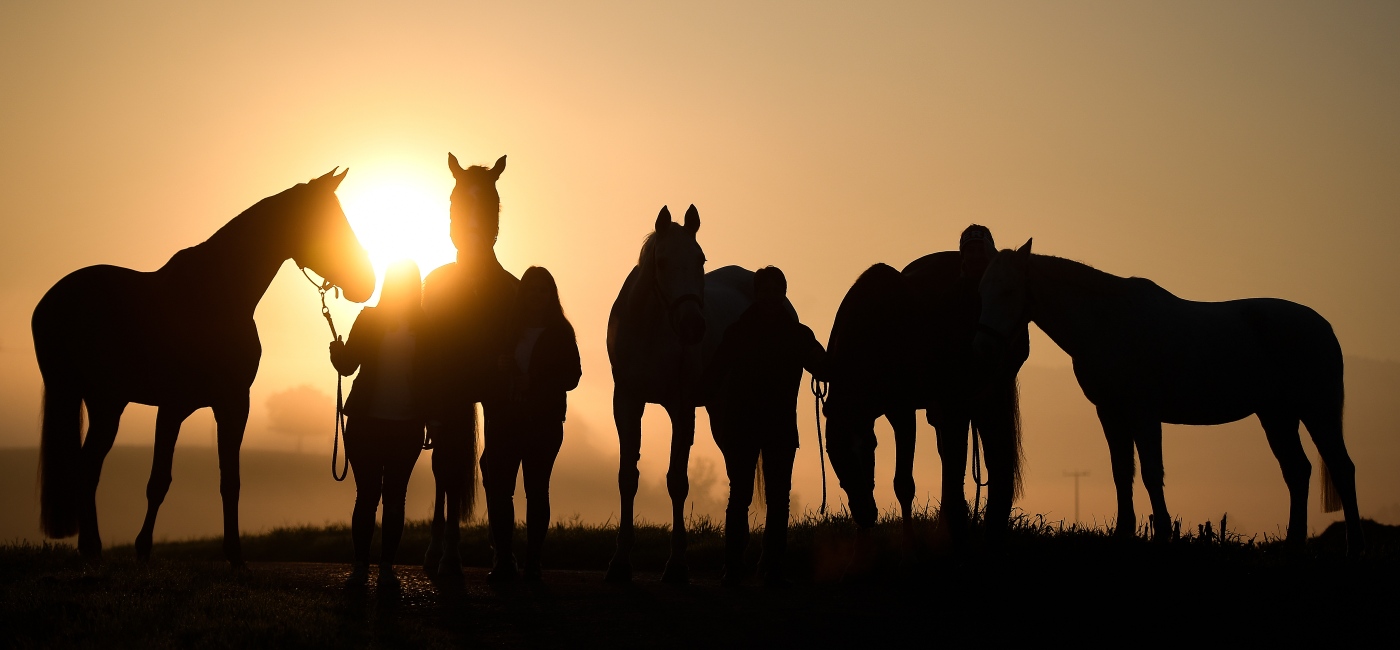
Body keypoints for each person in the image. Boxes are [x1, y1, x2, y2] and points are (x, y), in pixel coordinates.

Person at [420, 153, 519, 579]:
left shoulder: (513, 292)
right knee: (448, 456)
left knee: (498, 461)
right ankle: (445, 538)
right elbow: (428, 346)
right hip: (452, 379)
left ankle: (502, 549)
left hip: (495, 383)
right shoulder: (436, 285)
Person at [704, 266, 826, 587]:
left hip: (755, 428)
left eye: (776, 291)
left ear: (781, 294)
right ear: (758, 295)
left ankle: (751, 566)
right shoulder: (794, 334)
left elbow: (713, 375)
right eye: (766, 291)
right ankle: (751, 566)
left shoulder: (744, 332)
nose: (771, 297)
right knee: (754, 496)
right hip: (767, 429)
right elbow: (822, 366)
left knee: (762, 497)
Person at [328, 259, 427, 591]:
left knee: (392, 497)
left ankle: (382, 566)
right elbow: (348, 365)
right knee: (369, 496)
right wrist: (337, 353)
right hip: (368, 423)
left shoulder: (425, 326)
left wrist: (430, 418)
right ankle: (364, 566)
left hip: (405, 424)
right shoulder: (370, 319)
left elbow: (433, 376)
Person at [479, 266, 581, 582]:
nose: (537, 296)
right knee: (500, 490)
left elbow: (573, 375)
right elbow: (487, 368)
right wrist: (497, 365)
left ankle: (533, 562)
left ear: (551, 295)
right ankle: (505, 559)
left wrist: (533, 382)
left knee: (536, 492)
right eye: (531, 290)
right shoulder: (508, 331)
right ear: (523, 295)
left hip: (543, 422)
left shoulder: (561, 332)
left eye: (543, 290)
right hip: (506, 420)